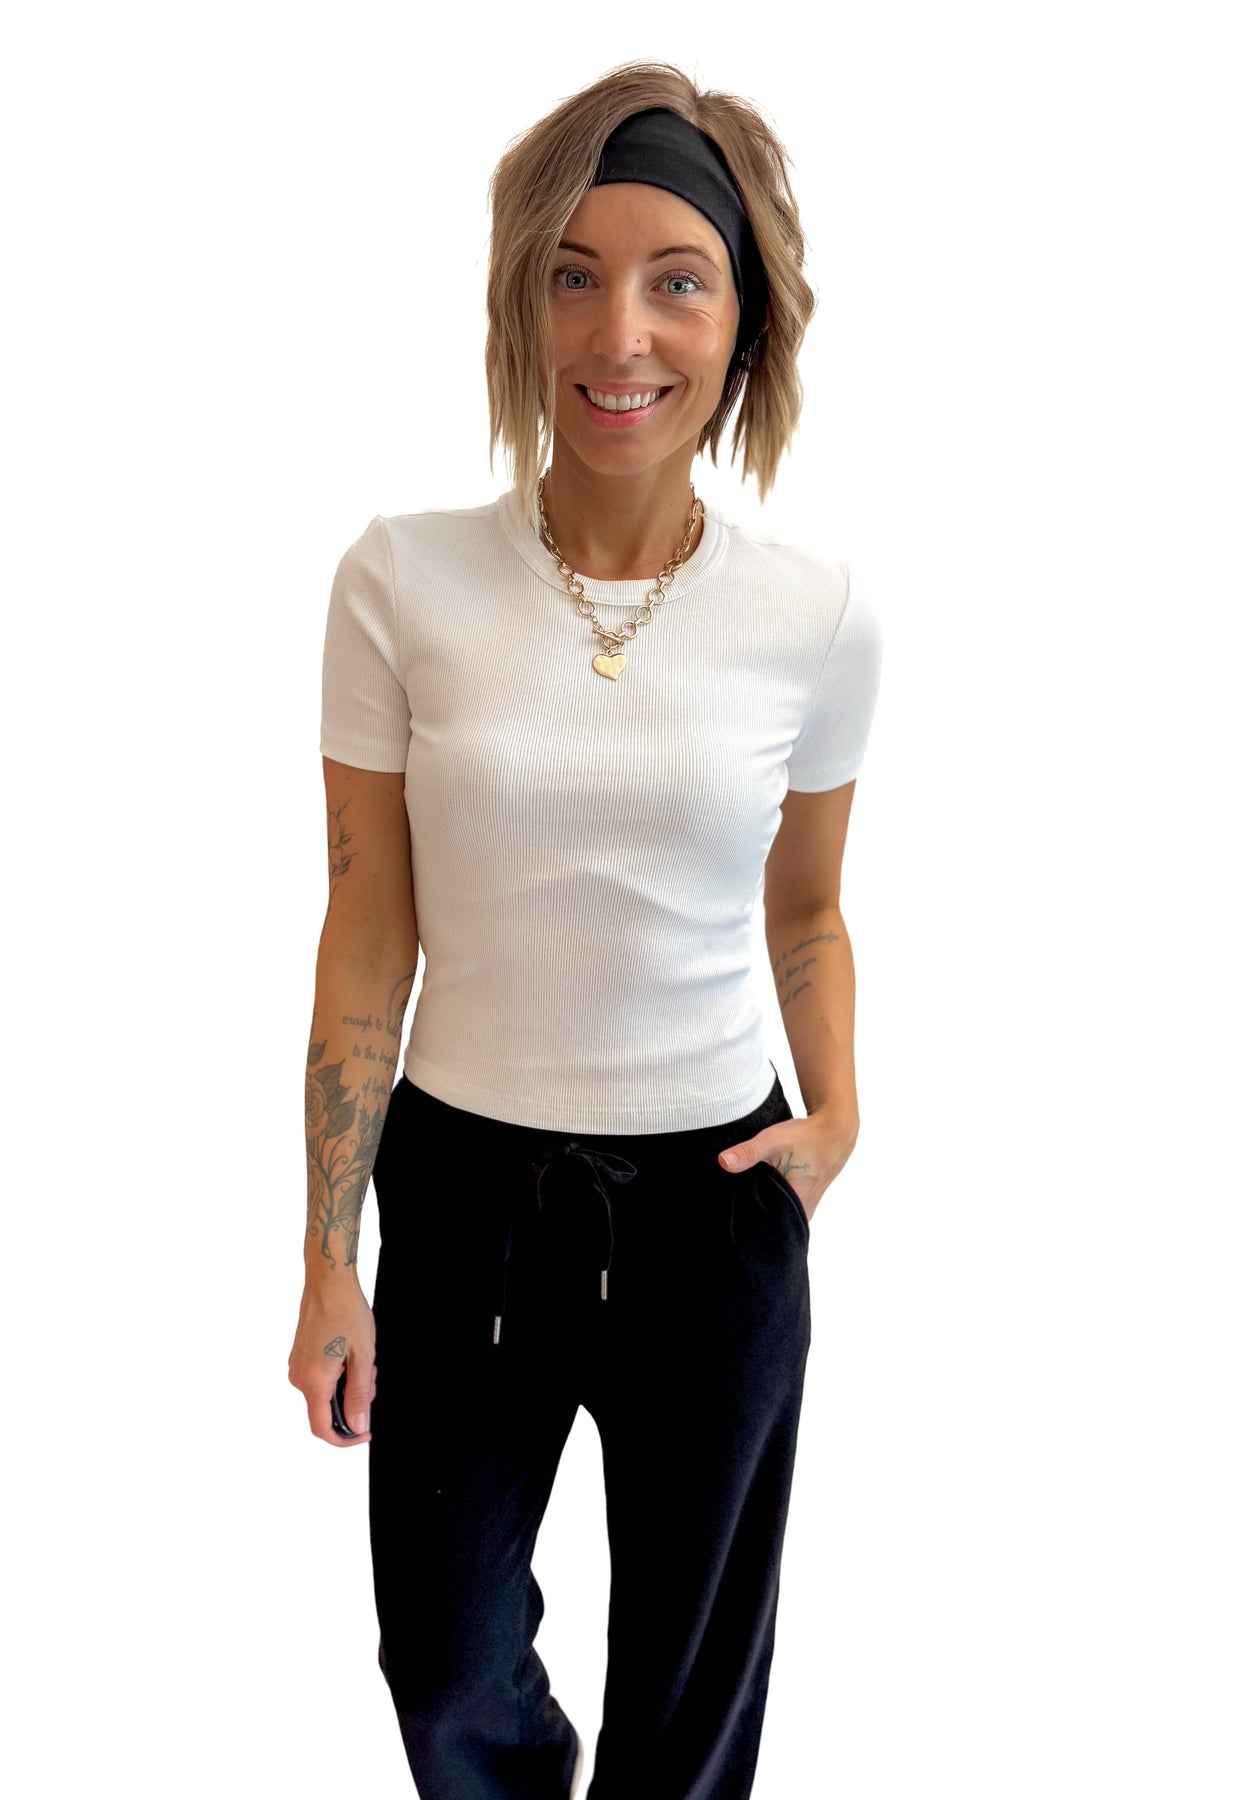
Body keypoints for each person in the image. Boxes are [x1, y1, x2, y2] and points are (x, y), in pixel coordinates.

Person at [289, 59, 883, 1800]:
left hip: (719, 1198)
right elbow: (364, 926)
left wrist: (838, 1112)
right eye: (573, 274)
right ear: (521, 303)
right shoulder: (399, 583)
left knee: (694, 1694)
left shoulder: (816, 618)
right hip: (467, 1197)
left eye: (676, 280)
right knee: (447, 1659)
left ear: (745, 323)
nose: (619, 332)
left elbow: (809, 906)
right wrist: (330, 1249)